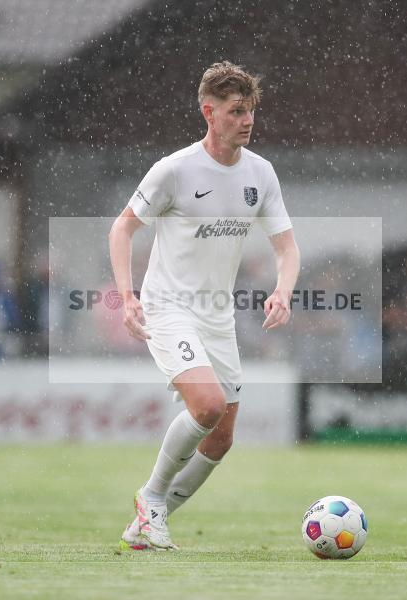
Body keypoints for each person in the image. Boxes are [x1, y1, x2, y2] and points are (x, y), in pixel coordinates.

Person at [108, 61, 300, 550]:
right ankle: (151, 499)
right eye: (237, 111)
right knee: (208, 405)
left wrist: (283, 289)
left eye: (252, 110)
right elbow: (123, 227)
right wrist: (127, 297)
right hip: (169, 306)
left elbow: (286, 246)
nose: (247, 120)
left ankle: (146, 523)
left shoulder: (262, 173)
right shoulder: (174, 170)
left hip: (218, 315)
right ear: (208, 113)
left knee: (220, 437)